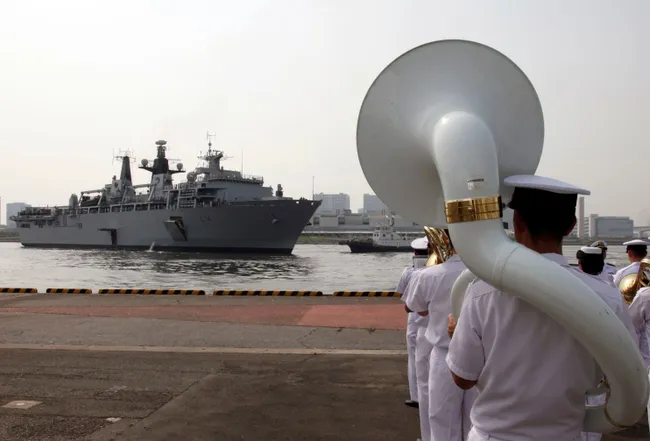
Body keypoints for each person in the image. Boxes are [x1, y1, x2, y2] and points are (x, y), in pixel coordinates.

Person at [445, 175, 638, 441]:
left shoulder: (480, 292)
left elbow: (463, 378)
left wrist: (455, 335)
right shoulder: (606, 297)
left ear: (517, 222)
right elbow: (627, 371)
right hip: (567, 434)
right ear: (570, 226)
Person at [405, 229, 477, 441]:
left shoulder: (428, 275)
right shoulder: (485, 274)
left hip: (443, 355)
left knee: (441, 420)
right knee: (475, 420)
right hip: (479, 356)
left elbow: (414, 307)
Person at [397, 236, 429, 409]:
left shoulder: (409, 272)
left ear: (414, 252)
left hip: (415, 320)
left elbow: (402, 296)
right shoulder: (436, 271)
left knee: (414, 358)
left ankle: (416, 396)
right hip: (434, 321)